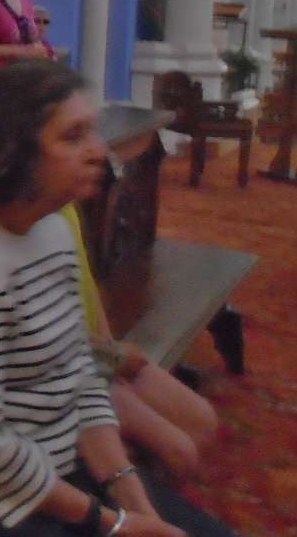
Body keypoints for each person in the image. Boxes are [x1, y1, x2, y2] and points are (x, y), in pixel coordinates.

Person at [0, 60, 234, 537]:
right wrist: (112, 524)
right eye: (73, 137)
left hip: (38, 466)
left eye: (92, 132)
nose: (98, 151)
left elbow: (77, 373)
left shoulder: (50, 222)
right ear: (11, 149)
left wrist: (134, 499)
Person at [59, 205, 219, 482]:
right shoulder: (14, 212)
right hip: (62, 371)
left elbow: (85, 280)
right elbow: (35, 334)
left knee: (203, 420)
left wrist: (111, 346)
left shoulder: (62, 203)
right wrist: (111, 359)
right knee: (178, 453)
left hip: (95, 354)